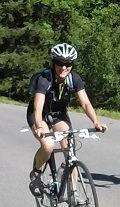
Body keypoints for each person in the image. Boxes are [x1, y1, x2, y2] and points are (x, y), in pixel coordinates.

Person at [26, 43, 106, 193]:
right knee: (48, 145)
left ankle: (73, 193)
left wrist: (96, 122)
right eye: (60, 63)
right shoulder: (44, 79)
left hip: (58, 114)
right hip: (40, 114)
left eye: (68, 64)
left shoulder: (74, 79)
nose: (64, 68)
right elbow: (37, 108)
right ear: (53, 63)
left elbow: (86, 103)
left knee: (70, 151)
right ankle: (36, 172)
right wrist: (38, 127)